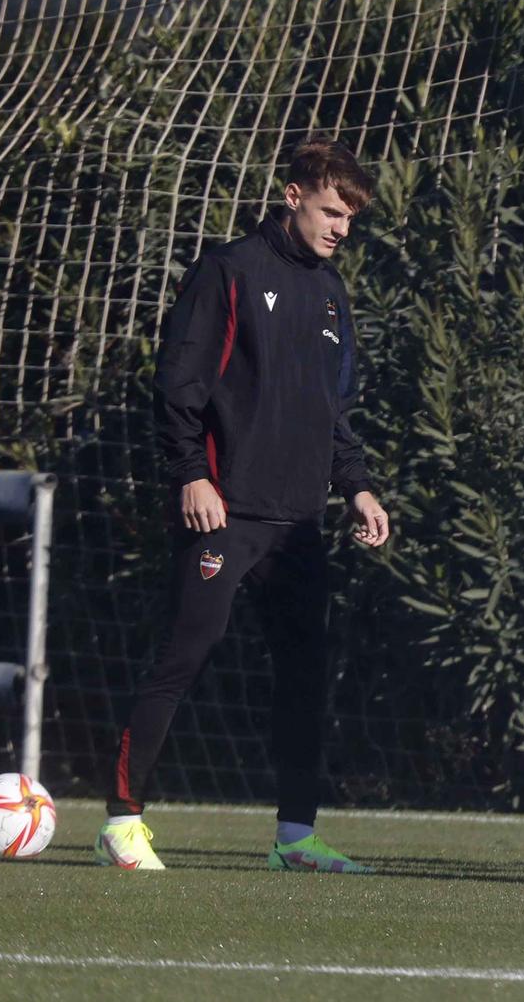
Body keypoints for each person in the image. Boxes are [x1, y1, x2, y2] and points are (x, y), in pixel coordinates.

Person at [96, 137, 392, 873]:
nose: (340, 229)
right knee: (183, 656)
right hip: (224, 513)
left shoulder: (330, 294)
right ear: (292, 196)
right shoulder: (228, 271)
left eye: (350, 218)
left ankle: (296, 837)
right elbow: (178, 386)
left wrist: (355, 485)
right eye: (330, 212)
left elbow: (334, 410)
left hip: (298, 524)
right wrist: (192, 474)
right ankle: (121, 824)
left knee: (305, 671)